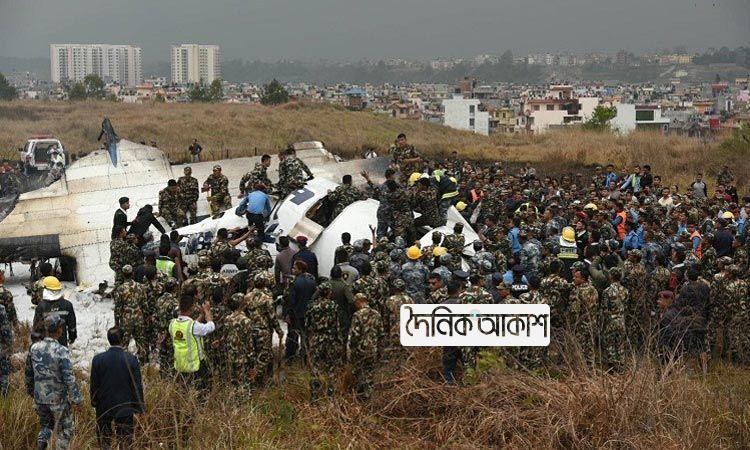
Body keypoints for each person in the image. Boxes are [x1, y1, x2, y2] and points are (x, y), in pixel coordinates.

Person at [25, 315, 83, 450]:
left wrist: (31, 392)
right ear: (59, 330)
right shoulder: (61, 351)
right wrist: (77, 399)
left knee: (45, 427)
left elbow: (28, 373)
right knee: (66, 429)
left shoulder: (34, 348)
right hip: (58, 400)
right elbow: (69, 378)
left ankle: (41, 446)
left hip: (40, 398)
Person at [90, 327, 144, 450]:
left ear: (108, 339)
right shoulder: (131, 359)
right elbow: (137, 386)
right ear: (123, 339)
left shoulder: (98, 360)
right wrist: (139, 407)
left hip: (104, 406)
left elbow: (94, 384)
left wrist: (94, 401)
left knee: (104, 440)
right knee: (125, 441)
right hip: (125, 406)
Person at [169, 294, 215, 386]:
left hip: (180, 365)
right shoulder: (193, 327)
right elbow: (211, 326)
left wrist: (201, 315)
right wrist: (207, 311)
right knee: (203, 390)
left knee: (184, 391)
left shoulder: (172, 324)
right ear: (192, 308)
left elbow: (191, 326)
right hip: (196, 367)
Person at [348, 293, 382, 399]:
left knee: (359, 373)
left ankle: (361, 397)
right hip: (373, 348)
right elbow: (381, 333)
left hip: (360, 349)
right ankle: (369, 396)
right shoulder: (377, 314)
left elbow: (354, 335)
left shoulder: (357, 315)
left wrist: (351, 349)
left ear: (359, 301)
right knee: (370, 373)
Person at [32, 276, 76, 347]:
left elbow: (37, 328)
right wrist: (72, 338)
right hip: (62, 344)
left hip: (45, 346)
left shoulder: (41, 306)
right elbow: (72, 326)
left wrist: (35, 342)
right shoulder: (67, 305)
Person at [0, 301, 11, 396]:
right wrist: (8, 344)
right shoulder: (1, 308)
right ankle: (4, 394)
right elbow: (5, 329)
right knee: (4, 371)